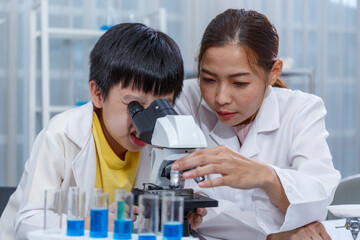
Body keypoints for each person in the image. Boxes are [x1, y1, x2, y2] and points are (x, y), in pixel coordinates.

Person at [0, 23, 205, 240]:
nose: (147, 123)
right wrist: (91, 222)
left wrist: (177, 215)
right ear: (98, 94)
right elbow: (27, 223)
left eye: (161, 106)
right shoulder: (61, 135)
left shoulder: (161, 143)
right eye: (135, 105)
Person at [172, 9, 341, 240]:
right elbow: (182, 204)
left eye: (239, 83)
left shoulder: (301, 109)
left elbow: (316, 200)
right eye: (208, 79)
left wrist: (267, 177)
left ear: (274, 73)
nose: (221, 97)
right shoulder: (184, 101)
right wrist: (275, 234)